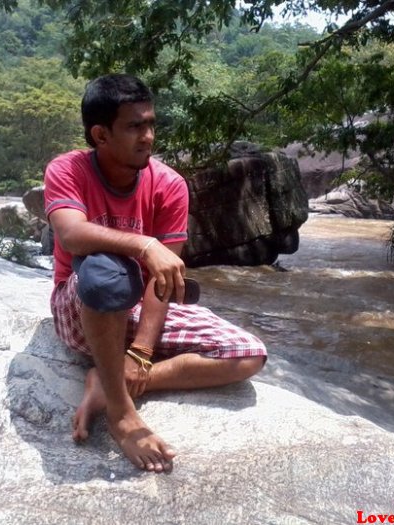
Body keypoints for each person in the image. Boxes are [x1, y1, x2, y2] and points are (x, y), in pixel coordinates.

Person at [44, 74, 267, 474]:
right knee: (105, 273)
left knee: (247, 355)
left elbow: (161, 282)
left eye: (150, 124)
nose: (148, 136)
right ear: (100, 134)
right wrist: (145, 245)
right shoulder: (68, 169)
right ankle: (121, 412)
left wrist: (142, 354)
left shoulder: (169, 185)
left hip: (136, 310)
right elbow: (71, 234)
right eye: (134, 126)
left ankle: (107, 381)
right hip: (80, 305)